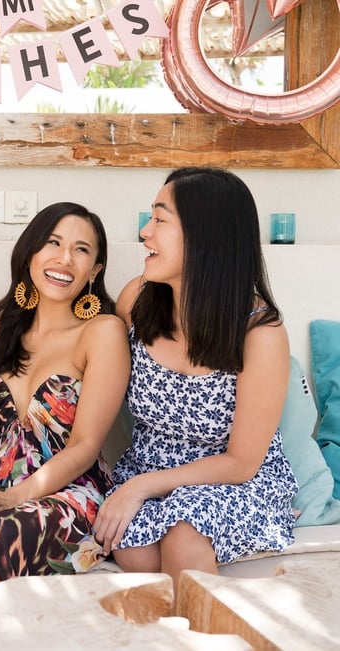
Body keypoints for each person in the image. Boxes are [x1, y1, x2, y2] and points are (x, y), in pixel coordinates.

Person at [93, 167, 298, 590]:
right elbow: (88, 348)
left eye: (160, 220)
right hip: (150, 468)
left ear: (206, 237)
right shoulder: (138, 299)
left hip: (232, 480)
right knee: (131, 546)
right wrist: (9, 325)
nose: (145, 232)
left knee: (185, 532)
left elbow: (242, 462)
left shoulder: (259, 332)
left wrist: (138, 489)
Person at [0, 202, 131, 583]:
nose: (65, 259)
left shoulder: (102, 332)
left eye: (81, 250)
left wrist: (15, 498)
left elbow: (84, 445)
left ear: (95, 271)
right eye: (52, 242)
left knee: (3, 534)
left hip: (70, 490)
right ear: (30, 253)